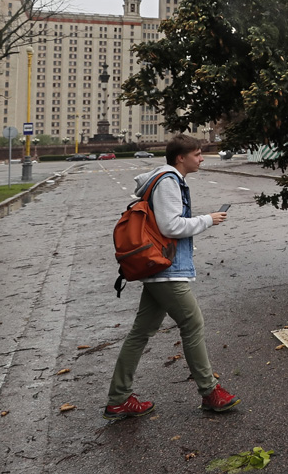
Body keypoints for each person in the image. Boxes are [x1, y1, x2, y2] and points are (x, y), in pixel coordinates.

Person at [103, 134, 241, 420]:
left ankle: (119, 399)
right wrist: (208, 219)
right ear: (181, 157)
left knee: (140, 333)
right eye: (198, 154)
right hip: (166, 269)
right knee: (192, 323)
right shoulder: (169, 180)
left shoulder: (169, 179)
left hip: (159, 269)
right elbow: (171, 226)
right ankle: (210, 392)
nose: (202, 158)